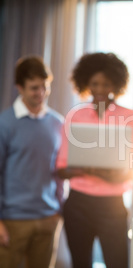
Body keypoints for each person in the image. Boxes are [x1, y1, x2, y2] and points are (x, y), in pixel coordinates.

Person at [56, 52, 133, 268]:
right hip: (78, 204)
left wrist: (90, 169)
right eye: (95, 83)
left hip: (112, 206)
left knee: (118, 262)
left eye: (106, 84)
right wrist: (99, 170)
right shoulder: (75, 116)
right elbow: (61, 168)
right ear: (86, 84)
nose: (101, 90)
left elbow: (132, 169)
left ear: (115, 84)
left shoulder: (130, 117)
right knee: (80, 263)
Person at [0, 56, 64, 268]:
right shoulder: (5, 123)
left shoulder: (58, 123)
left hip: (48, 218)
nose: (41, 93)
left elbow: (61, 171)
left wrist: (59, 211)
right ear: (19, 87)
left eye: (45, 87)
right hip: (12, 220)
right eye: (34, 88)